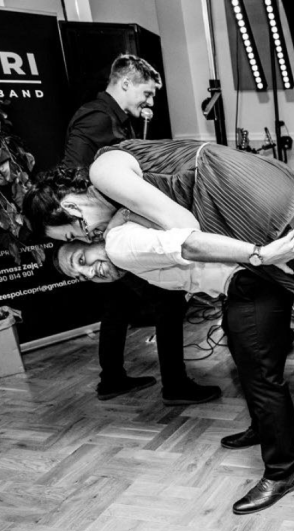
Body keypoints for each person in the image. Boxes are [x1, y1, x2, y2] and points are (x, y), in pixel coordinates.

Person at [22, 139, 294, 339]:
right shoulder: (114, 171)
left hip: (236, 195)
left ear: (70, 204)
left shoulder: (103, 173)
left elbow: (183, 224)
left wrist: (256, 255)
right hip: (258, 178)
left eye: (77, 230)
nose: (90, 235)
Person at [55, 219, 294, 514]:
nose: (91, 273)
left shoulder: (124, 245)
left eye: (82, 260)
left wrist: (259, 254)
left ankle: (283, 472)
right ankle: (262, 429)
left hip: (252, 281)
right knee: (243, 360)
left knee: (263, 379)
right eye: (82, 276)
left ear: (93, 238)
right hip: (237, 287)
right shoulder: (126, 262)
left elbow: (188, 244)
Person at [61, 54, 220, 405]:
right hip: (109, 231)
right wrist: (103, 228)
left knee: (116, 304)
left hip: (112, 228)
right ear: (125, 83)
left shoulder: (114, 118)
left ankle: (112, 379)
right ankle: (175, 385)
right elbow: (73, 176)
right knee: (168, 300)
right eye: (146, 93)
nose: (149, 102)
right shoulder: (97, 117)